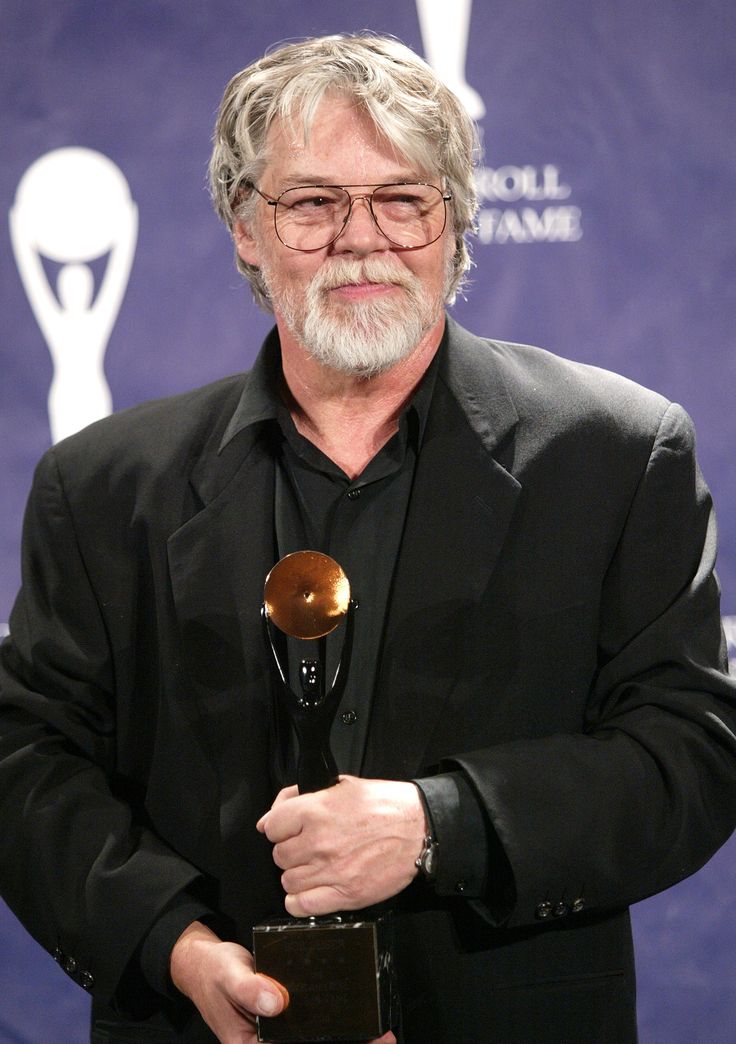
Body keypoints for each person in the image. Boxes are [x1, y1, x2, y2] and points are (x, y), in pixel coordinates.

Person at [1, 33, 735, 1044]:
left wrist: (443, 825)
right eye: (312, 203)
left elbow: (691, 756)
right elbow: (27, 756)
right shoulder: (100, 485)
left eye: (403, 198)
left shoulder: (614, 453)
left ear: (455, 223)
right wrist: (172, 944)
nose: (362, 237)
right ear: (243, 227)